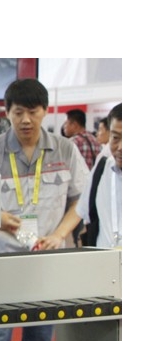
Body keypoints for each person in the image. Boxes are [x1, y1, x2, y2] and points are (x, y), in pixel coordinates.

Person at [0, 78, 87, 341]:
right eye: (18, 112)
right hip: (1, 263)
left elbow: (80, 200)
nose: (25, 120)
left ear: (44, 111)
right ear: (7, 112)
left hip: (46, 261)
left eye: (32, 112)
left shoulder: (66, 150)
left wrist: (59, 235)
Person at [76, 103, 122, 248]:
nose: (121, 147)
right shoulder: (102, 170)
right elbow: (84, 213)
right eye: (116, 137)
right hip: (104, 260)